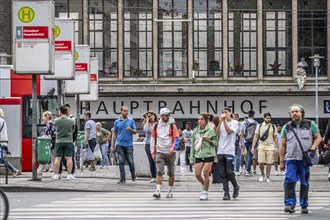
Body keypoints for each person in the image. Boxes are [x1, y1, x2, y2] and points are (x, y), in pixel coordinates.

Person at [280, 104, 322, 214]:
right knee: (289, 180)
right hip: (291, 159)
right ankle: (289, 204)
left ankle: (304, 205)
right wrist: (281, 161)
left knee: (304, 182)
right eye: (292, 112)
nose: (294, 113)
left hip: (304, 160)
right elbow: (283, 145)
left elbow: (318, 137)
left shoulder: (310, 124)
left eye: (296, 111)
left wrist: (312, 149)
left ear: (301, 113)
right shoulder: (287, 126)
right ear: (290, 114)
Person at [150, 107, 179, 199]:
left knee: (171, 173)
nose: (168, 117)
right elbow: (153, 140)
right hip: (159, 152)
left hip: (170, 152)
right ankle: (158, 191)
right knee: (159, 172)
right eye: (166, 115)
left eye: (169, 115)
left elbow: (176, 139)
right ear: (161, 116)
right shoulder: (156, 126)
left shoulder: (172, 125)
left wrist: (173, 148)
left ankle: (170, 191)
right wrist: (152, 153)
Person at [190, 113, 218, 200]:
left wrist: (209, 140)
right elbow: (192, 145)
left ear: (206, 120)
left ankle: (205, 192)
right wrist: (191, 157)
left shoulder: (210, 130)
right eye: (198, 119)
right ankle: (204, 184)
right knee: (197, 174)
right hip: (198, 154)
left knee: (206, 172)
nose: (200, 121)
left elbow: (216, 143)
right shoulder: (195, 131)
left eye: (202, 119)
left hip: (208, 154)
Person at [216, 107, 240, 200]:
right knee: (222, 173)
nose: (224, 114)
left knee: (229, 171)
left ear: (230, 113)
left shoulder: (235, 122)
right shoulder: (221, 122)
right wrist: (220, 122)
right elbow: (217, 134)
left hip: (229, 150)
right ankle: (226, 192)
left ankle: (236, 186)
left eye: (225, 112)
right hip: (220, 150)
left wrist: (224, 121)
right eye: (222, 112)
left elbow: (229, 132)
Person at [112, 105, 137, 184]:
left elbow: (135, 132)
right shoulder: (116, 122)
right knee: (121, 161)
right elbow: (115, 134)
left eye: (127, 111)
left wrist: (131, 129)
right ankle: (122, 178)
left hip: (129, 144)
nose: (126, 112)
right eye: (125, 111)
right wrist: (113, 145)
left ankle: (133, 173)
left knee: (131, 161)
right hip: (119, 144)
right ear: (121, 111)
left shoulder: (131, 121)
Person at [251, 112, 278, 182]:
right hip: (261, 146)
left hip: (270, 146)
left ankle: (267, 176)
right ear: (264, 118)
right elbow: (256, 136)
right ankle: (262, 174)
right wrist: (253, 147)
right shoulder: (259, 126)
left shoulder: (273, 126)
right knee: (260, 162)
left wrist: (277, 146)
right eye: (267, 118)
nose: (268, 119)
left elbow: (275, 137)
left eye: (269, 118)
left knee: (269, 163)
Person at [52, 105, 75, 180]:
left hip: (59, 141)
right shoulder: (71, 120)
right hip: (69, 141)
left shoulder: (56, 120)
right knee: (69, 158)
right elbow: (73, 130)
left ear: (60, 112)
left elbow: (55, 129)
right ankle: (69, 175)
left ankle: (57, 174)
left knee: (57, 158)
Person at [0, 108, 19, 178]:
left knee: (1, 159)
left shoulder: (0, 120)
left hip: (1, 142)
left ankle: (13, 170)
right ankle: (13, 170)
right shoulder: (2, 121)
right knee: (1, 158)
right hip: (2, 142)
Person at [59, 103, 77, 175]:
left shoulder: (72, 119)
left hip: (70, 140)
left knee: (70, 156)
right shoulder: (62, 119)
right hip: (63, 140)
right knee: (61, 157)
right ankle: (64, 171)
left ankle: (71, 171)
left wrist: (72, 140)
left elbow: (74, 130)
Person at [37, 111, 56, 179]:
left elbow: (51, 135)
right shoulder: (50, 125)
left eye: (43, 116)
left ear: (46, 117)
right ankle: (39, 173)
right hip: (50, 144)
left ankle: (39, 173)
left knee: (48, 159)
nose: (42, 118)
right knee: (51, 159)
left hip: (49, 144)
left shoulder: (50, 125)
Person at [240, 110, 258, 176]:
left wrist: (240, 142)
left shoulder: (244, 122)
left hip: (245, 140)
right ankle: (248, 170)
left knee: (246, 155)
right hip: (253, 141)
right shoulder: (256, 123)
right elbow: (257, 134)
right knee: (250, 155)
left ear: (248, 115)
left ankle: (247, 169)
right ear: (253, 115)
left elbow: (241, 133)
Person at [143, 110, 158, 182]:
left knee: (157, 160)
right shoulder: (147, 124)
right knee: (151, 161)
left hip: (156, 144)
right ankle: (153, 176)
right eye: (149, 116)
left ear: (155, 116)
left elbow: (153, 131)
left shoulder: (157, 124)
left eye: (152, 115)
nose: (150, 117)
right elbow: (145, 130)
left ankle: (158, 175)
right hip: (148, 144)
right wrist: (147, 121)